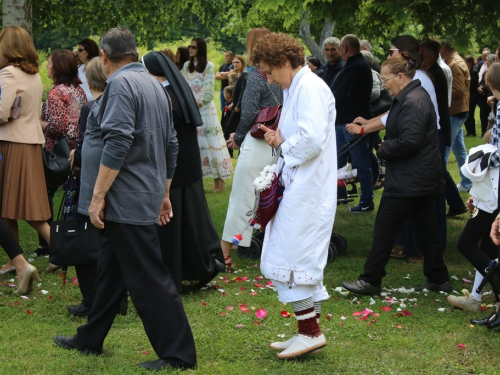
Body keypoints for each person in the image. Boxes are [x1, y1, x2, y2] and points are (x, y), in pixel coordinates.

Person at [53, 28, 196, 371]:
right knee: (111, 271)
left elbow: (117, 142)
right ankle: (90, 337)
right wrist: (163, 192)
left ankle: (178, 354)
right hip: (142, 193)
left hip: (127, 198)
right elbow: (171, 144)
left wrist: (98, 196)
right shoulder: (155, 84)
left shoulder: (120, 85)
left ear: (103, 56)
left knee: (148, 278)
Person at [253, 32, 337, 360]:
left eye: (271, 71)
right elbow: (301, 132)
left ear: (286, 63)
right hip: (300, 183)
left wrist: (282, 144)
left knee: (293, 257)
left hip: (309, 188)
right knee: (294, 256)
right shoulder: (296, 86)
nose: (270, 79)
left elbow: (312, 139)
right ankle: (306, 330)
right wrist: (281, 137)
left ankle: (310, 332)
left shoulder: (311, 88)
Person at [342, 53, 451, 295]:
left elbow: (410, 141)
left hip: (410, 180)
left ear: (400, 77)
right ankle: (439, 279)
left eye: (385, 79)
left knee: (384, 229)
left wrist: (384, 149)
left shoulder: (412, 101)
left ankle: (371, 279)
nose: (383, 84)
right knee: (426, 231)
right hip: (420, 179)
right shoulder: (411, 96)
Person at [142, 50, 225, 292]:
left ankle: (174, 274)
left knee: (174, 228)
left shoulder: (166, 96)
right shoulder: (177, 90)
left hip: (175, 168)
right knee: (189, 224)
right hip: (187, 165)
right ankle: (193, 268)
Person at [222, 27, 282, 267]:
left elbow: (247, 113)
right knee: (272, 197)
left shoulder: (256, 75)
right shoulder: (280, 75)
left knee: (243, 197)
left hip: (258, 142)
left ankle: (224, 251)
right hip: (277, 141)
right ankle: (270, 249)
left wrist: (237, 137)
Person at [0, 26, 51, 275]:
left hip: (12, 143)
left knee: (22, 205)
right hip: (30, 141)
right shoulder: (34, 75)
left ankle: (60, 251)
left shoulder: (8, 74)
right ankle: (14, 258)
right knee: (12, 204)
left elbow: (1, 112)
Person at [37, 50, 87, 269]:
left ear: (58, 67)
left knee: (43, 197)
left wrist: (40, 124)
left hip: (58, 153)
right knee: (73, 199)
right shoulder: (78, 90)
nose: (46, 67)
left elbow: (59, 126)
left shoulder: (56, 93)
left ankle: (53, 245)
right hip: (78, 151)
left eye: (49, 63)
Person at [181, 37, 232, 192]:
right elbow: (183, 86)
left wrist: (197, 104)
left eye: (194, 47)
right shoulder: (186, 66)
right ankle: (196, 182)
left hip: (204, 111)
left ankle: (219, 182)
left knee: (211, 144)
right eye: (189, 47)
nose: (190, 49)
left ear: (201, 49)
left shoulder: (208, 66)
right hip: (190, 110)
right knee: (195, 146)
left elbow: (208, 90)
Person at [331, 34, 374, 213]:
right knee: (336, 163)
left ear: (345, 48)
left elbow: (340, 93)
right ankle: (334, 196)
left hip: (352, 123)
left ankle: (366, 202)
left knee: (361, 163)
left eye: (340, 48)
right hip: (345, 121)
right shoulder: (354, 65)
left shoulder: (356, 66)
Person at [440, 37, 471, 192]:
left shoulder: (454, 64)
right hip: (457, 111)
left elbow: (458, 91)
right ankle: (467, 182)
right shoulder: (454, 62)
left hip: (456, 112)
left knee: (444, 148)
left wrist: (439, 93)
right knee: (459, 149)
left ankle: (441, 184)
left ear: (444, 48)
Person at [477, 54, 495, 137]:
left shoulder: (494, 72)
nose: (487, 62)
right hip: (484, 96)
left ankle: (489, 133)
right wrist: (480, 88)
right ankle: (484, 132)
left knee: (490, 116)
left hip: (491, 96)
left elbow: (491, 85)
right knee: (483, 115)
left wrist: (483, 88)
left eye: (489, 61)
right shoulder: (486, 70)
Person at [464, 55, 479, 136]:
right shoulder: (468, 71)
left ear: (469, 63)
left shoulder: (474, 72)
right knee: (467, 114)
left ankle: (472, 131)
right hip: (468, 95)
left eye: (466, 62)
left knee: (470, 114)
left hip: (472, 96)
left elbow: (472, 84)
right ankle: (469, 131)